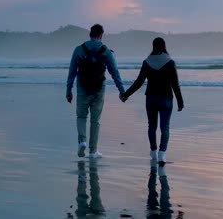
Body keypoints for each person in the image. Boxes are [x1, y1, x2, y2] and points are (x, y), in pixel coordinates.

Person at [121, 37, 184, 164]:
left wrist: (126, 94)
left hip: (151, 98)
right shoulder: (170, 62)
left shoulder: (147, 62)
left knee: (152, 126)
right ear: (164, 46)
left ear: (153, 46)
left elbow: (139, 82)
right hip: (166, 98)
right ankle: (162, 153)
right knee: (164, 127)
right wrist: (180, 102)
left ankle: (153, 151)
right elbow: (175, 84)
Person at [66, 24, 126, 158]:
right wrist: (122, 91)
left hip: (82, 89)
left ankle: (82, 141)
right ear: (101, 35)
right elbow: (115, 73)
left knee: (81, 117)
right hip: (99, 90)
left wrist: (68, 90)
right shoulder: (107, 52)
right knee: (95, 120)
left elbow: (72, 71)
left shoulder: (79, 49)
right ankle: (93, 151)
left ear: (90, 34)